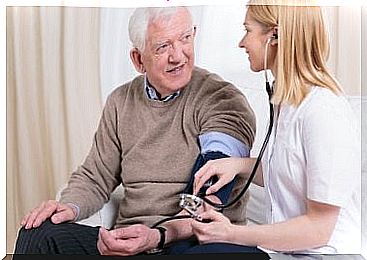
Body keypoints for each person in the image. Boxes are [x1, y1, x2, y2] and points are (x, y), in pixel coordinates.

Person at [13, 6, 266, 257]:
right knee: (37, 232)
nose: (178, 56)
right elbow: (95, 176)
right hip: (128, 241)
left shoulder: (222, 99)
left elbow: (212, 191)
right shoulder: (121, 102)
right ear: (138, 59)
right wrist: (67, 207)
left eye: (185, 39)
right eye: (162, 47)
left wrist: (157, 236)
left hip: (193, 240)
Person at [192, 0, 361, 256]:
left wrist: (232, 233)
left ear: (275, 35)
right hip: (291, 253)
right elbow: (288, 170)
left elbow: (319, 228)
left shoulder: (323, 111)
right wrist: (238, 165)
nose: (242, 42)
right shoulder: (288, 104)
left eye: (248, 30)